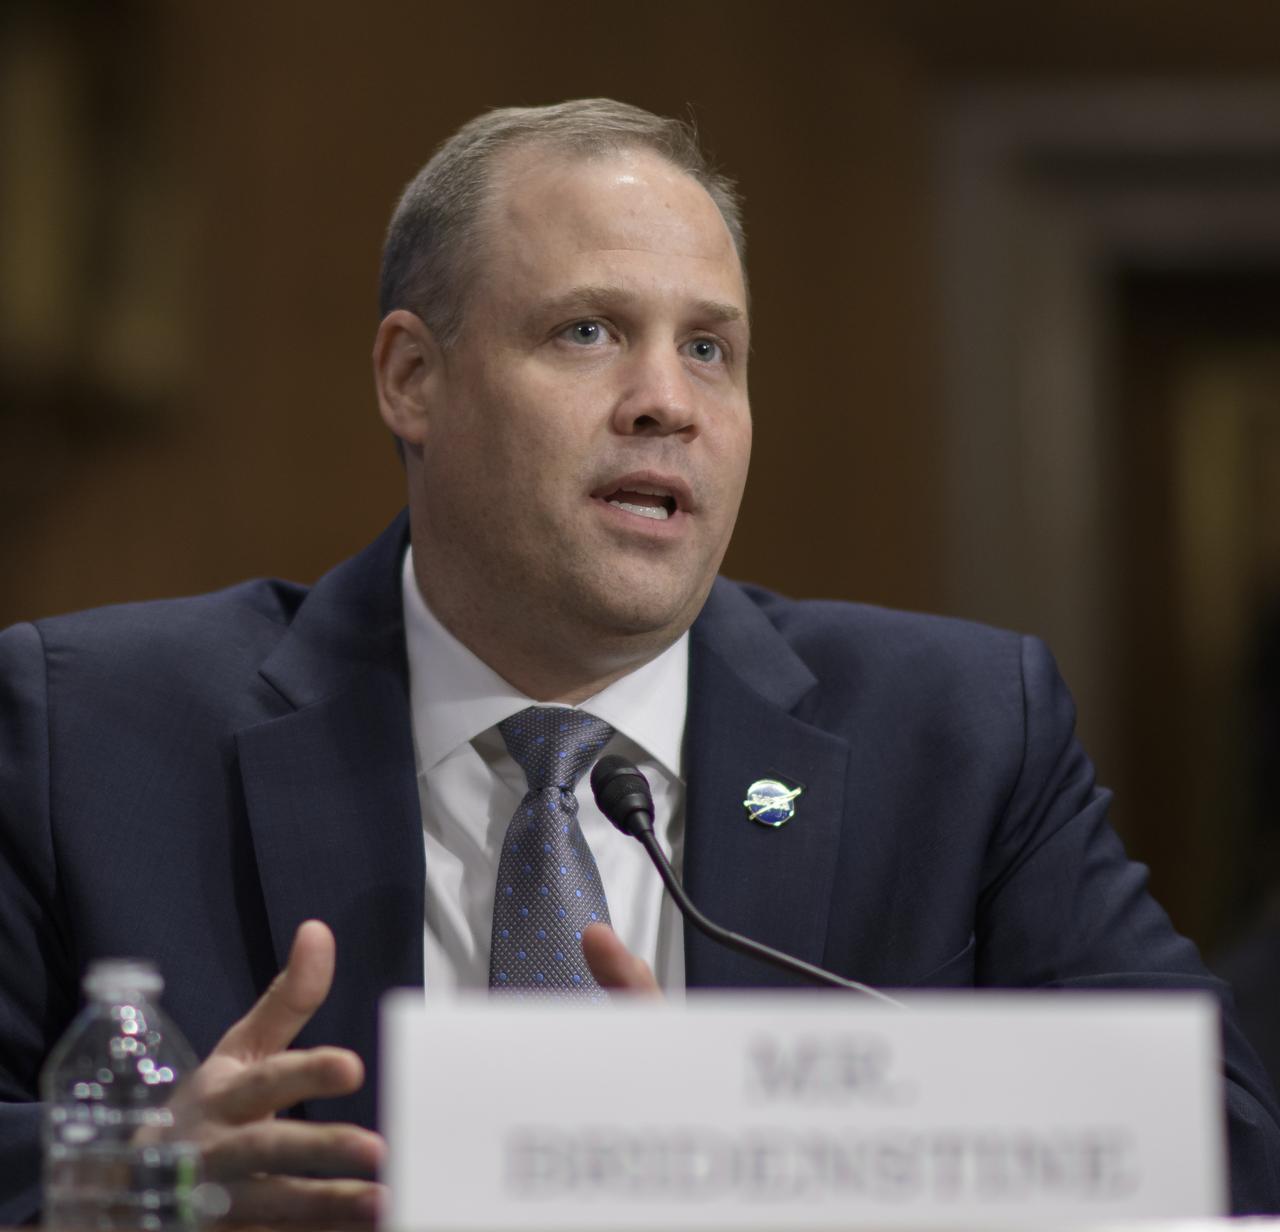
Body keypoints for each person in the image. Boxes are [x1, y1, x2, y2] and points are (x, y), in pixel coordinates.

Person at [1, 98, 1278, 1224]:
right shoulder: (90, 730)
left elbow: (1217, 1144)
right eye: (587, 331)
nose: (666, 400)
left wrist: (781, 1154)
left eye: (709, 347)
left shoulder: (958, 735)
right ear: (412, 378)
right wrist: (132, 1186)